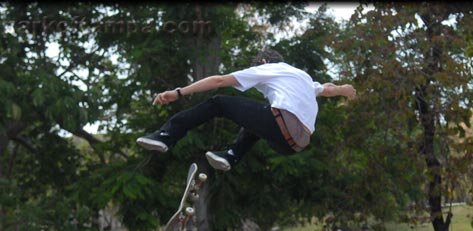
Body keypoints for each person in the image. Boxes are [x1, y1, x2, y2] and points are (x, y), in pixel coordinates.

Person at [137, 48, 357, 170]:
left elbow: (218, 80)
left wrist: (177, 93)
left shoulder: (268, 68)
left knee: (219, 102)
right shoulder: (302, 76)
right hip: (296, 143)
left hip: (282, 125)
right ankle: (232, 155)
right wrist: (345, 89)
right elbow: (327, 89)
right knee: (258, 117)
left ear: (262, 61)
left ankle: (166, 135)